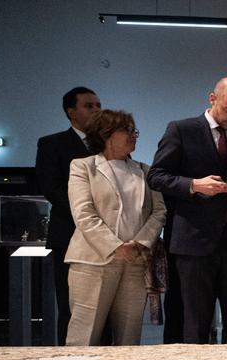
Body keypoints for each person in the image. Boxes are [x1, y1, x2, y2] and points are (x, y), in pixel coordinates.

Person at [148, 76, 227, 344]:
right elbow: (156, 176)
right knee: (195, 322)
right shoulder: (181, 130)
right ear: (212, 99)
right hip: (194, 242)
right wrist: (194, 185)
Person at [65, 110, 165, 345]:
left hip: (136, 260)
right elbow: (83, 213)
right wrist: (116, 246)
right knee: (84, 334)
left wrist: (140, 243)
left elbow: (160, 211)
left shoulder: (145, 170)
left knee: (129, 337)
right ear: (105, 135)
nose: (134, 135)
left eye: (134, 131)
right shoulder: (83, 167)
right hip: (94, 260)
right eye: (127, 130)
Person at [35, 86, 102, 345]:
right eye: (89, 105)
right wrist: (90, 216)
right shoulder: (52, 144)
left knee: (104, 308)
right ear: (71, 112)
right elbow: (51, 188)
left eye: (98, 105)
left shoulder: (107, 144)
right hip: (71, 236)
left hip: (106, 239)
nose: (96, 110)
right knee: (73, 307)